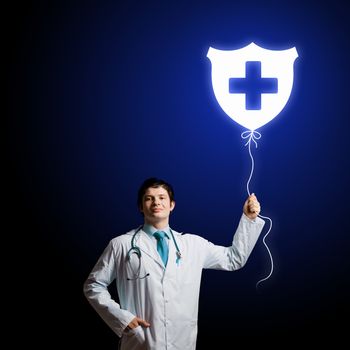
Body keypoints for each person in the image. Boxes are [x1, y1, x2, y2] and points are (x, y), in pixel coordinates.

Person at [83, 177, 265, 350]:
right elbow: (93, 285)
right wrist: (122, 318)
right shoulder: (121, 245)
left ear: (172, 205)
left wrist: (248, 219)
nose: (156, 203)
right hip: (142, 343)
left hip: (182, 342)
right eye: (149, 198)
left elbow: (234, 259)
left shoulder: (193, 245)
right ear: (141, 206)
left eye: (162, 198)